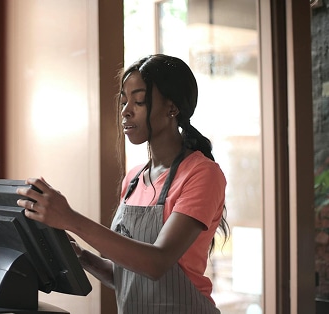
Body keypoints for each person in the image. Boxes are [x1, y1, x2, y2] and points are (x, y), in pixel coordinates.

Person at [17, 54, 229, 313]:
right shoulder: (133, 179)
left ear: (172, 108)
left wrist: (70, 218)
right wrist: (82, 258)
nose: (125, 111)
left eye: (139, 101)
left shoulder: (202, 174)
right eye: (124, 100)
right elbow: (127, 277)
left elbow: (156, 263)